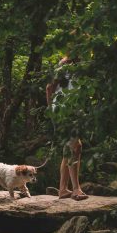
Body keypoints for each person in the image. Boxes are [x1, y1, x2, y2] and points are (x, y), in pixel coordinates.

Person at [46, 55, 88, 200]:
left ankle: (63, 189)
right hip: (63, 109)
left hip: (73, 109)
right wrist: (51, 110)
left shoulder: (82, 64)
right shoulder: (65, 64)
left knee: (73, 147)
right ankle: (76, 189)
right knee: (74, 146)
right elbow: (49, 87)